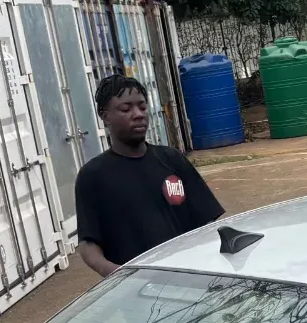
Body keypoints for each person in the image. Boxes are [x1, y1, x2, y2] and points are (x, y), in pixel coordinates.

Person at [74, 74, 224, 277]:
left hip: (191, 279)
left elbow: (208, 222)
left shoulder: (172, 160)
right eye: (126, 109)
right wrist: (118, 275)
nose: (138, 114)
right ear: (105, 116)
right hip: (139, 291)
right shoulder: (93, 176)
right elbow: (88, 244)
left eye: (142, 107)